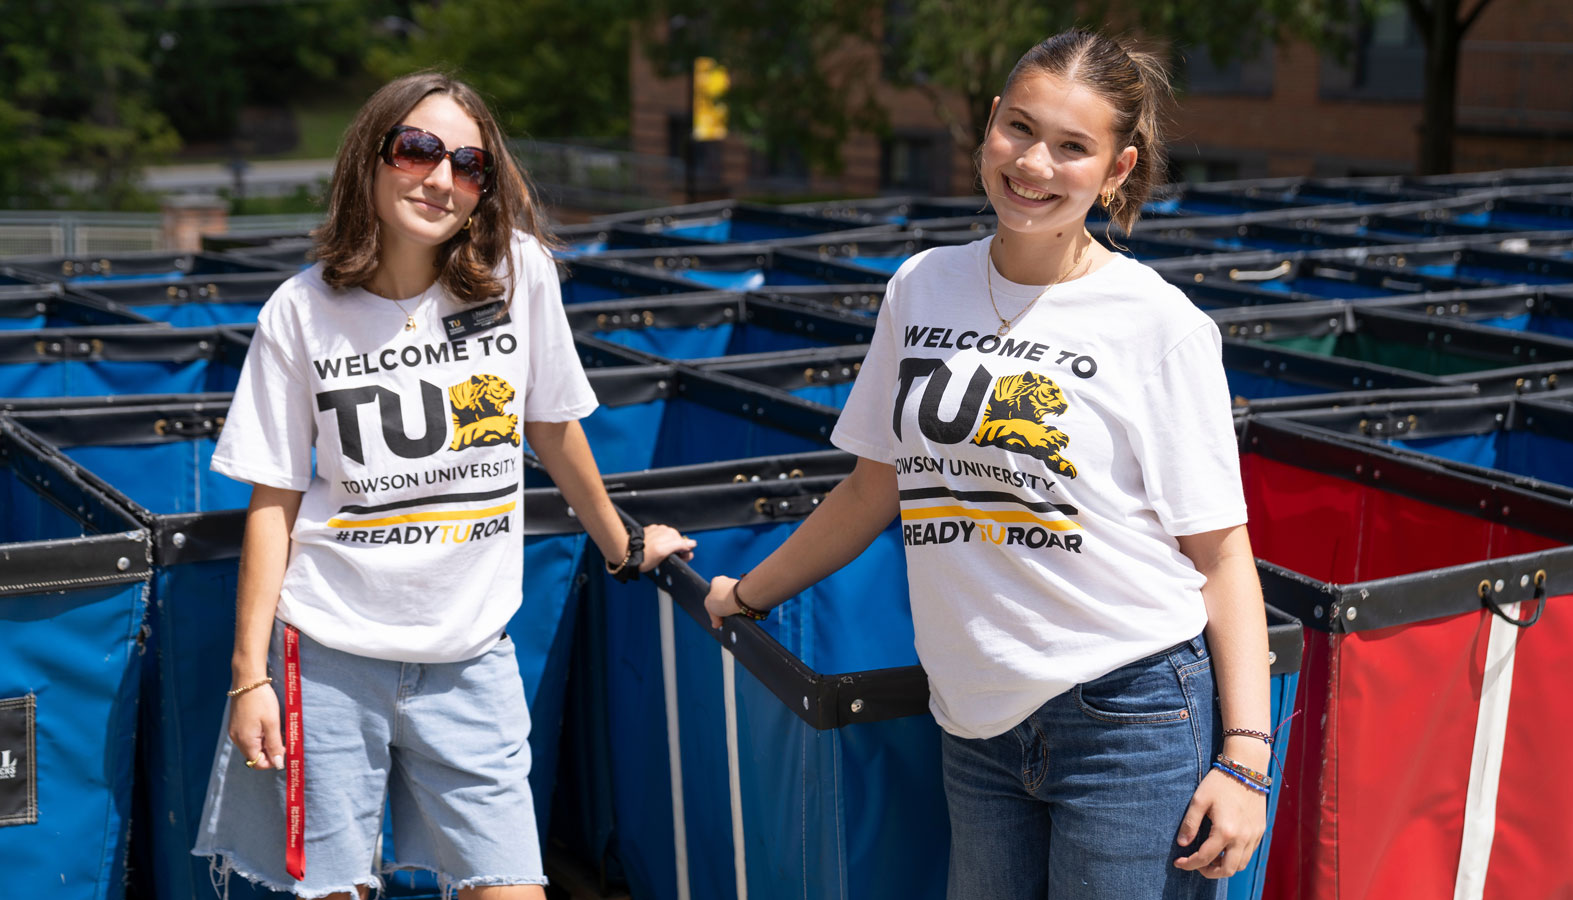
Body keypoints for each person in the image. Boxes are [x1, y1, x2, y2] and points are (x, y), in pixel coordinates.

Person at [704, 30, 1271, 898]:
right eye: (1019, 128)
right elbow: (872, 489)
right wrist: (744, 594)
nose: (1034, 163)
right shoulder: (921, 287)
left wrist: (1245, 761)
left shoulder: (1159, 324)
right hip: (974, 719)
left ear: (1117, 172)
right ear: (987, 128)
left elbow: (1222, 555)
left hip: (1130, 714)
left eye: (1072, 147)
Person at [192, 72, 695, 900]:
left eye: (468, 165)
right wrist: (250, 678)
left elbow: (554, 425)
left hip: (470, 661)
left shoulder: (517, 273)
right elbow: (273, 501)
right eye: (418, 149)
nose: (440, 179)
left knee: (511, 887)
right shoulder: (300, 311)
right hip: (326, 658)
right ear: (371, 155)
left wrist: (624, 543)